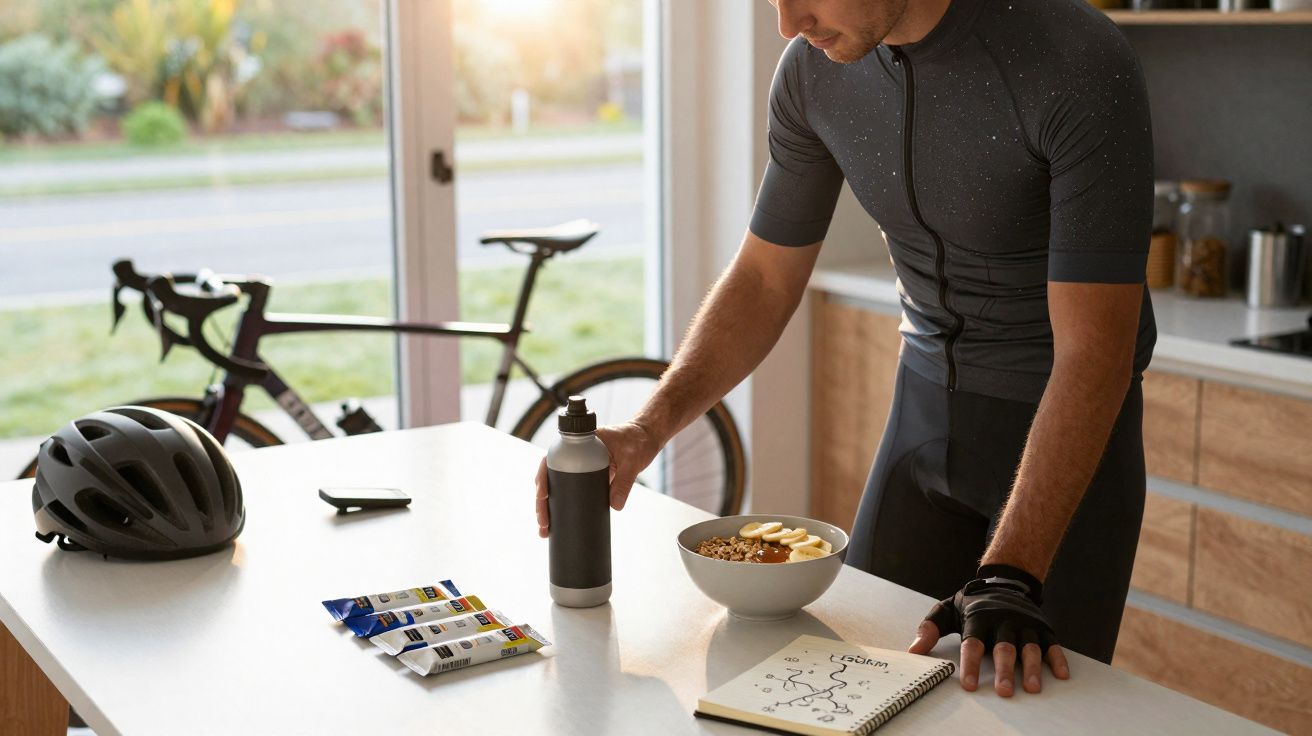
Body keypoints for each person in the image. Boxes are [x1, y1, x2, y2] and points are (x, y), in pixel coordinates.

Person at [536, 0, 1155, 699]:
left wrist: (1010, 571)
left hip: (1062, 445)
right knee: (854, 696)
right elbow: (766, 278)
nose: (788, 21)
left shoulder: (1074, 61)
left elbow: (1093, 353)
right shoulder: (813, 74)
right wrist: (647, 430)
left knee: (1035, 716)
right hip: (923, 423)